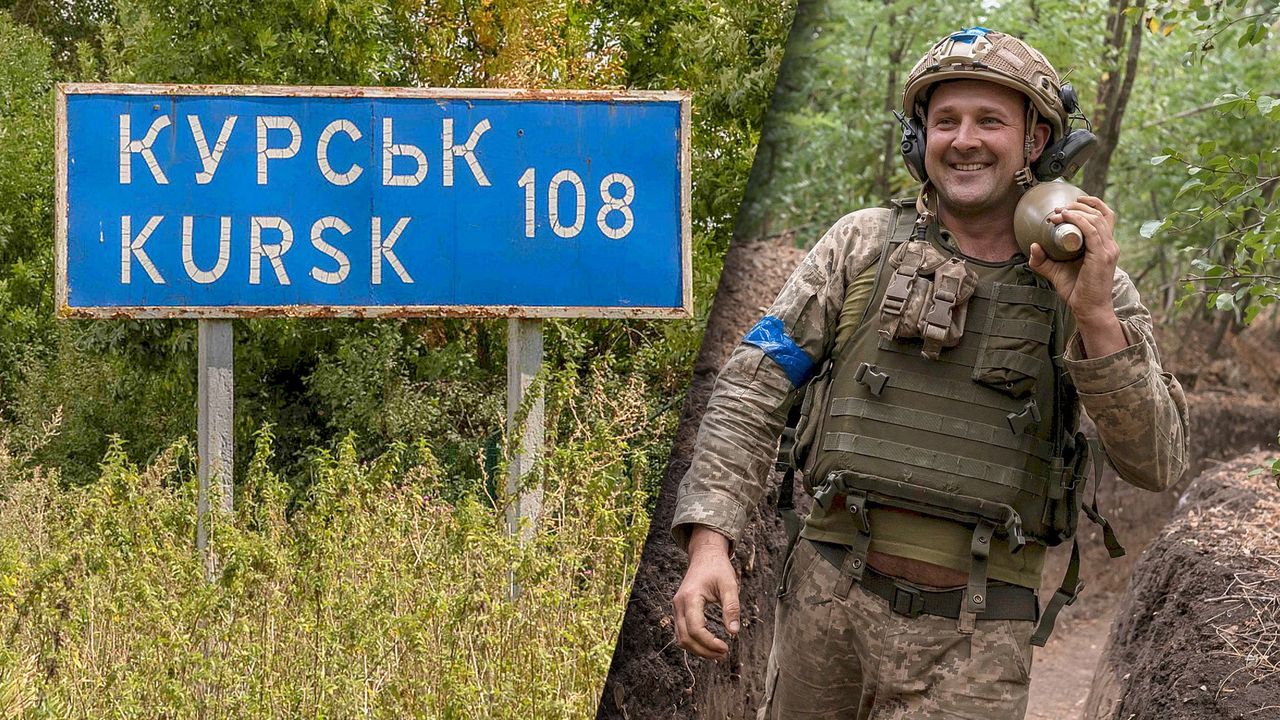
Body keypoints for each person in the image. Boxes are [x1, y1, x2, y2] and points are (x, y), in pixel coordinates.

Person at [669, 27, 1190, 719]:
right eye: (945, 121)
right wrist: (711, 541)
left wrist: (1094, 314)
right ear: (920, 140)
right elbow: (751, 388)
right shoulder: (859, 245)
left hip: (978, 637)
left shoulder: (1093, 283)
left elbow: (1158, 462)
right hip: (826, 609)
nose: (964, 140)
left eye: (990, 122)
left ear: (1037, 143)